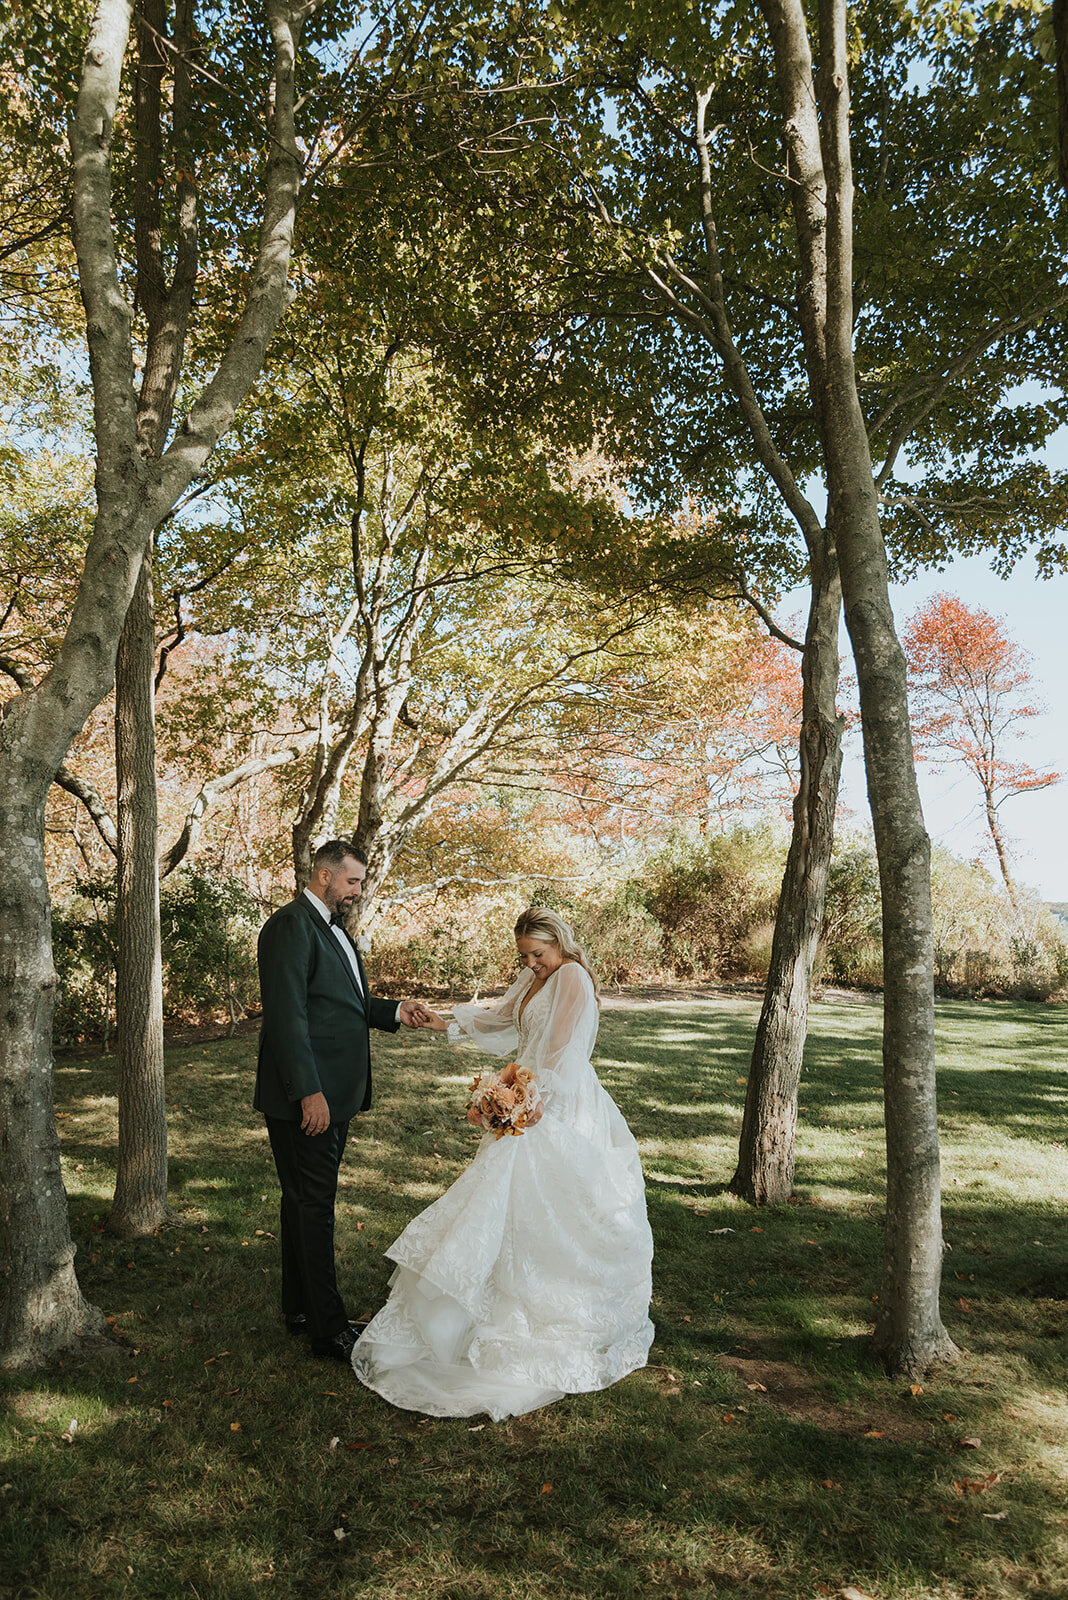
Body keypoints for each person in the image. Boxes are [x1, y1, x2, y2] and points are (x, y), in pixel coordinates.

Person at [352, 907, 654, 1420]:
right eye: (525, 956)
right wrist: (443, 1023)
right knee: (501, 1203)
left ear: (560, 942)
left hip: (559, 1103)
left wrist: (524, 1098)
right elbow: (500, 1018)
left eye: (539, 954)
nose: (532, 964)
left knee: (553, 1207)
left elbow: (559, 1052)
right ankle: (476, 1308)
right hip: (528, 1093)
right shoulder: (534, 978)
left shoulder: (573, 977)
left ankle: (543, 1313)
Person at [255, 839, 424, 1362]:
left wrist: (395, 1011)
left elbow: (341, 1003)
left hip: (334, 1096)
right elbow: (288, 1019)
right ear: (324, 876)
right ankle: (328, 1331)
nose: (357, 890)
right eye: (351, 881)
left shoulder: (333, 929)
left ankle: (300, 1307)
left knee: (302, 1203)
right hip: (310, 1099)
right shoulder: (290, 926)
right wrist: (310, 1092)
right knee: (315, 1207)